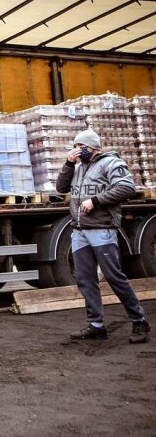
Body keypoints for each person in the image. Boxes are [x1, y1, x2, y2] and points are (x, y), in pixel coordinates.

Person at [56, 129, 150, 344]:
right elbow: (61, 188)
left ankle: (139, 320)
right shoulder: (78, 168)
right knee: (85, 279)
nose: (77, 151)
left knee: (114, 277)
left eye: (80, 147)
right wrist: (68, 165)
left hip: (102, 228)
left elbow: (127, 187)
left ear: (93, 148)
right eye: (75, 147)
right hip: (80, 230)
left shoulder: (111, 163)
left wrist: (96, 201)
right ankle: (96, 325)